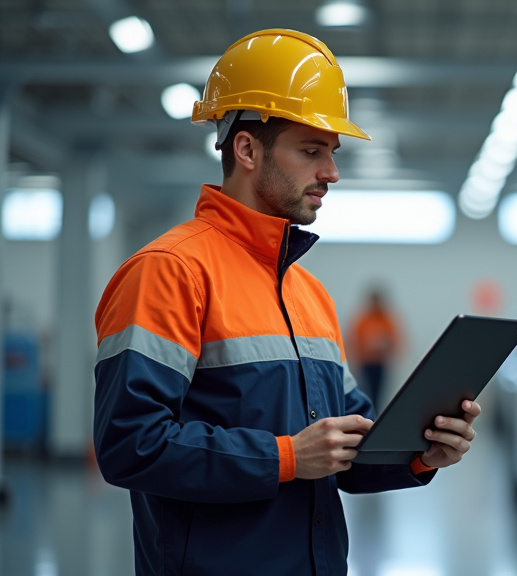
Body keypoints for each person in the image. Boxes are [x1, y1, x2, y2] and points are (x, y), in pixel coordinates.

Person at [92, 28, 480, 576]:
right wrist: (288, 458)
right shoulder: (170, 272)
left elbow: (345, 452)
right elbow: (130, 445)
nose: (331, 172)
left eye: (332, 153)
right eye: (311, 150)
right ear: (247, 149)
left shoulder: (308, 293)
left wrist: (421, 454)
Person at [348, 286, 403, 407]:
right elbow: (354, 341)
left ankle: (376, 418)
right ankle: (367, 417)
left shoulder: (386, 320)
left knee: (379, 395)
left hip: (381, 364)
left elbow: (395, 341)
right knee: (365, 392)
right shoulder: (363, 320)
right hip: (365, 364)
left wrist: (385, 348)